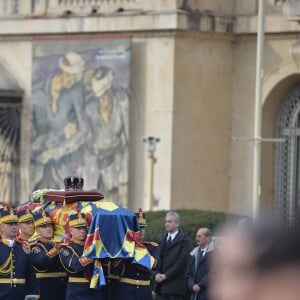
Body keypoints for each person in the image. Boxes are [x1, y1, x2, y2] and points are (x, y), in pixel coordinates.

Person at [31, 51, 90, 190]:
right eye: (72, 76)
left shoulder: (75, 93)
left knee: (74, 206)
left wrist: (58, 151)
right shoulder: (36, 94)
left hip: (68, 163)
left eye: (76, 78)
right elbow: (28, 139)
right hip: (40, 166)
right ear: (63, 71)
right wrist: (47, 145)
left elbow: (85, 129)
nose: (74, 81)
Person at [84, 65, 129, 204]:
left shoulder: (122, 103)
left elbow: (128, 138)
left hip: (117, 164)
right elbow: (86, 137)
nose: (101, 99)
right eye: (99, 97)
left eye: (104, 95)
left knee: (116, 202)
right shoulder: (89, 108)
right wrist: (95, 148)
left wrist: (117, 144)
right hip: (95, 165)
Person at [113, 208, 158, 300]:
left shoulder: (151, 247)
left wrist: (141, 251)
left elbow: (154, 265)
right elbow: (115, 269)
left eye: (143, 228)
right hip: (126, 291)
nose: (140, 231)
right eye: (137, 228)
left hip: (144, 292)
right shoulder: (123, 248)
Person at [58, 212, 102, 299]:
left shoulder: (90, 245)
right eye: (78, 228)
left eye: (84, 228)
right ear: (70, 230)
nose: (82, 231)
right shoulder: (65, 248)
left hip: (93, 289)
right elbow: (76, 265)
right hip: (76, 290)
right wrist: (92, 256)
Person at [0, 207, 38, 299]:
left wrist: (32, 294)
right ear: (1, 227)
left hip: (20, 295)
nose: (14, 227)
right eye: (9, 224)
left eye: (15, 224)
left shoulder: (24, 247)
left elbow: (30, 275)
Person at [31, 210, 68, 300]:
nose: (48, 228)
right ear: (37, 230)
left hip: (62, 289)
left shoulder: (55, 244)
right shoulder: (35, 247)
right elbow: (43, 262)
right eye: (44, 226)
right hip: (46, 289)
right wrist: (57, 248)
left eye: (49, 225)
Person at [154, 211, 190, 300]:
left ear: (177, 224)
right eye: (166, 221)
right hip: (161, 287)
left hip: (175, 288)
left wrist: (166, 276)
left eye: (170, 222)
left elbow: (181, 262)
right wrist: (156, 274)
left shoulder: (184, 240)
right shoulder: (161, 239)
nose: (167, 224)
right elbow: (155, 259)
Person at [187, 228, 214, 300]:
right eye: (196, 236)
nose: (196, 238)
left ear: (208, 238)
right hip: (194, 294)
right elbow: (189, 274)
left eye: (199, 236)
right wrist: (192, 285)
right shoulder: (194, 253)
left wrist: (200, 285)